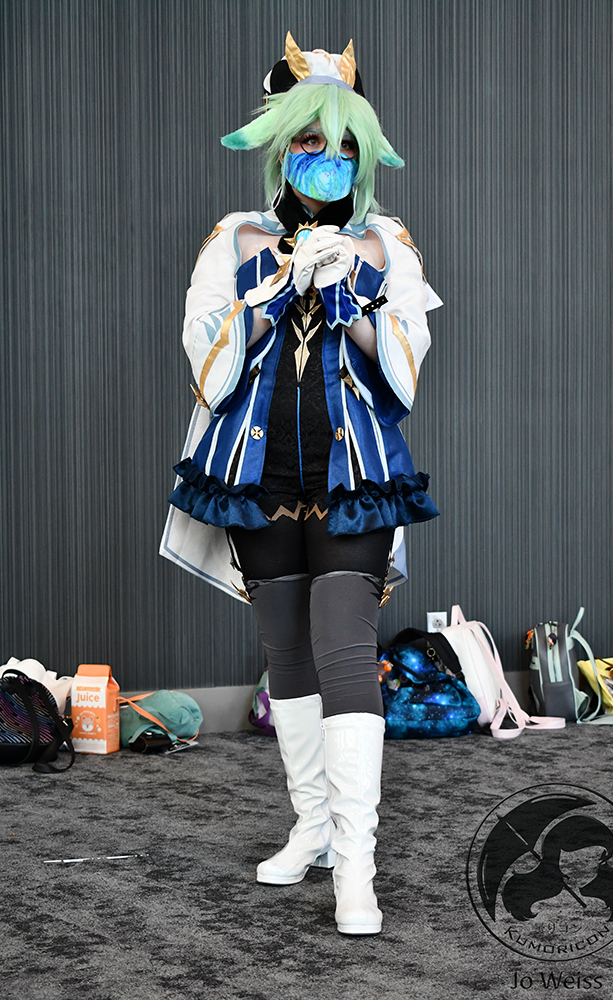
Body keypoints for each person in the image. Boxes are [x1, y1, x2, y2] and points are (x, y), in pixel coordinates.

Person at [160, 33, 441, 936]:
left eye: (344, 144)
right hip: (259, 474)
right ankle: (313, 828)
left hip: (354, 474)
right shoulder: (235, 238)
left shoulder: (386, 243)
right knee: (286, 655)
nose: (327, 159)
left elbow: (403, 376)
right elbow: (207, 371)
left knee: (345, 651)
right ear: (281, 146)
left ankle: (356, 866)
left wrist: (354, 297)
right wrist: (269, 292)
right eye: (311, 142)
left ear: (365, 154)